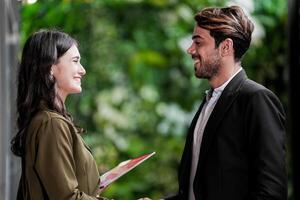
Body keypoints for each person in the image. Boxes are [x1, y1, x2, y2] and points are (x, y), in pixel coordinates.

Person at [165, 5, 287, 200]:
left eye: (198, 42)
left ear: (225, 47)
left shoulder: (256, 99)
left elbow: (271, 193)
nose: (190, 50)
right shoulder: (208, 102)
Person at [11, 29, 105, 199]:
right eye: (75, 61)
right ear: (50, 67)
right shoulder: (51, 123)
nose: (82, 70)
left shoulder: (47, 119)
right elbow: (67, 197)